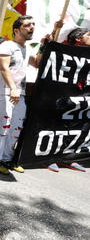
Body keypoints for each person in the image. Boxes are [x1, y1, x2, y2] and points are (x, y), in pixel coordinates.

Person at [0, 15, 42, 175]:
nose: (32, 27)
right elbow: (4, 68)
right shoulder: (7, 45)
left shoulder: (28, 48)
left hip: (20, 94)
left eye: (33, 24)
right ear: (16, 30)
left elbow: (38, 63)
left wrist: (46, 44)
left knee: (15, 129)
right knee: (2, 128)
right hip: (4, 93)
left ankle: (7, 159)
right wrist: (12, 88)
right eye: (27, 25)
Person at [43, 24, 89, 173]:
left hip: (80, 97)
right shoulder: (63, 49)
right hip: (60, 96)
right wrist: (55, 29)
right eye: (89, 35)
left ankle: (69, 158)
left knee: (75, 128)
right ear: (78, 38)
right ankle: (48, 158)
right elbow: (51, 47)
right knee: (55, 128)